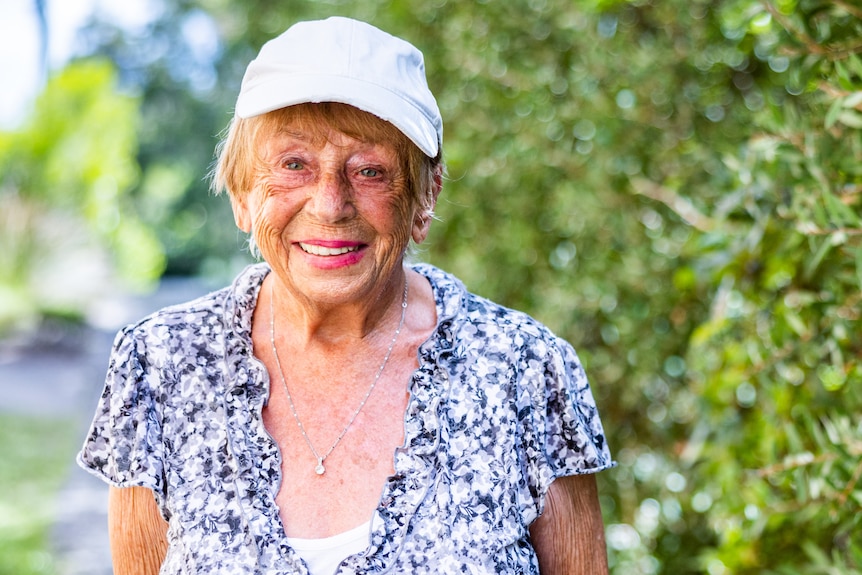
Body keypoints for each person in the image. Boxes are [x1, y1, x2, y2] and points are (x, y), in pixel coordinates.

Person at [78, 16, 614, 575]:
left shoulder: (525, 367)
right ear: (242, 195)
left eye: (371, 171)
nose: (330, 204)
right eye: (293, 165)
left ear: (425, 197)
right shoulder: (161, 363)